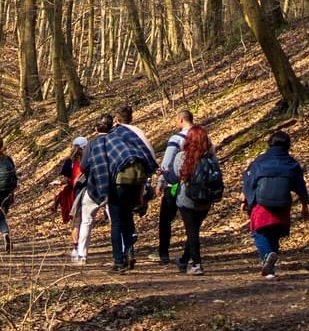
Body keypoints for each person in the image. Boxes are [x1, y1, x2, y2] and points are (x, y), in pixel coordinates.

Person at [79, 113, 155, 271]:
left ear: (96, 128)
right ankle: (129, 253)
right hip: (135, 181)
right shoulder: (122, 136)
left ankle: (119, 262)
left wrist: (100, 183)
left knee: (117, 222)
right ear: (112, 126)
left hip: (117, 184)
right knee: (127, 218)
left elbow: (85, 166)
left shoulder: (96, 143)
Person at [242, 129, 309, 280]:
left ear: (270, 144)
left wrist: (246, 201)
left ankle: (268, 256)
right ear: (288, 145)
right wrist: (305, 205)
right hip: (283, 204)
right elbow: (300, 185)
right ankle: (270, 269)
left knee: (259, 233)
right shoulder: (291, 163)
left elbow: (249, 182)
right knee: (274, 233)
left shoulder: (259, 162)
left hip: (261, 204)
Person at [172, 122, 224, 274]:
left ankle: (196, 264)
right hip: (205, 200)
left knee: (192, 231)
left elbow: (175, 175)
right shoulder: (211, 159)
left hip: (186, 199)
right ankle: (183, 261)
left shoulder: (182, 157)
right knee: (193, 230)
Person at [155, 111, 195, 264]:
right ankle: (190, 254)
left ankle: (163, 252)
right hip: (195, 185)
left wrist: (160, 182)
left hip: (175, 185)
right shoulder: (203, 136)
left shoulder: (176, 138)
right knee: (191, 221)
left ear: (180, 119)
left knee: (166, 218)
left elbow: (166, 163)